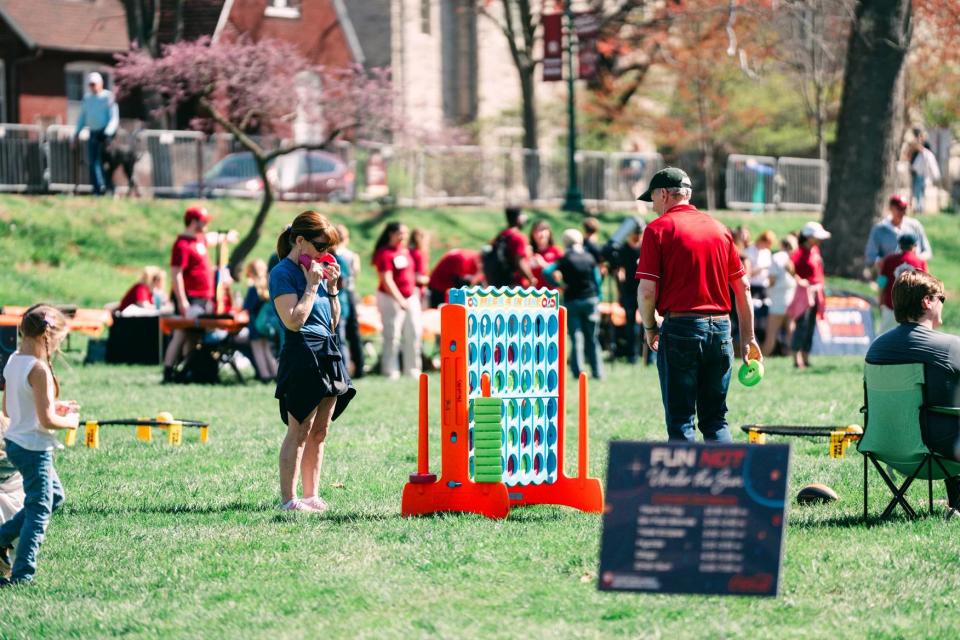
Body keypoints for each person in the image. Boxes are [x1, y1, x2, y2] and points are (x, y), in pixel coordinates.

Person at [635, 167, 760, 442]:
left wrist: (649, 327)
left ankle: (686, 486)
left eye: (653, 199)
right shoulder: (720, 229)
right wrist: (748, 337)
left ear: (665, 194)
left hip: (681, 327)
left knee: (681, 422)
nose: (654, 207)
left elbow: (646, 291)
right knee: (716, 420)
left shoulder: (658, 230)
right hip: (722, 330)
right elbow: (743, 287)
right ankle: (725, 483)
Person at [271, 212, 355, 513]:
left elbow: (332, 323)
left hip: (327, 349)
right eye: (320, 247)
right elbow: (293, 321)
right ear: (300, 240)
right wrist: (311, 287)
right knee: (300, 428)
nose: (325, 254)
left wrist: (331, 289)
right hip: (301, 350)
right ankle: (289, 500)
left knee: (321, 430)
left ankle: (311, 495)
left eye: (329, 249)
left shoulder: (318, 274)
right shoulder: (282, 273)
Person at [865, 270, 960, 508]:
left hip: (886, 447)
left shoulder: (876, 349)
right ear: (927, 301)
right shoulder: (950, 346)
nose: (942, 305)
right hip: (940, 452)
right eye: (941, 299)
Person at [0, 305, 80, 586]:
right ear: (50, 336)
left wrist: (53, 405)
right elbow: (47, 421)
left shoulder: (12, 361)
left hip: (14, 444)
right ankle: (23, 573)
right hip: (35, 449)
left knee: (54, 496)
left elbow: (9, 409)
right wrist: (70, 422)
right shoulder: (39, 369)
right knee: (39, 508)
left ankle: (1, 537)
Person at [162, 206, 216, 383]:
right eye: (204, 221)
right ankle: (168, 371)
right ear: (194, 222)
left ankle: (187, 370)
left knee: (193, 335)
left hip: (202, 298)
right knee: (181, 334)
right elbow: (176, 274)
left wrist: (226, 237)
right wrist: (182, 301)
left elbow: (212, 238)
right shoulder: (182, 245)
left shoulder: (199, 240)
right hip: (190, 297)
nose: (206, 225)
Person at [542, 229, 603, 379]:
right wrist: (599, 296)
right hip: (590, 300)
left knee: (576, 337)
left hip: (572, 301)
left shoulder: (565, 259)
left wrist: (559, 284)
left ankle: (578, 372)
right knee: (592, 337)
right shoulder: (590, 257)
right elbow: (597, 279)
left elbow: (547, 271)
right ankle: (598, 372)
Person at [372, 222, 422, 378]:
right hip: (390, 298)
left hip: (411, 296)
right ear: (391, 234)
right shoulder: (384, 253)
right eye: (400, 233)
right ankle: (391, 370)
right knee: (392, 335)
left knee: (413, 333)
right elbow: (386, 280)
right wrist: (400, 300)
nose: (403, 237)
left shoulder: (407, 252)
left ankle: (413, 369)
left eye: (405, 233)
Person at [790, 222, 830, 369]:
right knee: (802, 324)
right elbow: (789, 266)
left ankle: (806, 357)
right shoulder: (799, 252)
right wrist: (799, 280)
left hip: (817, 291)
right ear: (808, 237)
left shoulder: (816, 250)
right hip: (805, 293)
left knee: (811, 325)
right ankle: (796, 357)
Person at [74, 72, 119, 196]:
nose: (92, 87)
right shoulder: (87, 99)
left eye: (94, 84)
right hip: (93, 133)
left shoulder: (108, 97)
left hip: (105, 135)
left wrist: (108, 133)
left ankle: (109, 187)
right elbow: (82, 118)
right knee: (93, 162)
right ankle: (98, 189)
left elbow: (114, 117)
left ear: (100, 84)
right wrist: (76, 133)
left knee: (107, 163)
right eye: (90, 84)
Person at [864, 194, 932, 269]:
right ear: (891, 208)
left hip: (913, 274)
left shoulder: (915, 226)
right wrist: (886, 262)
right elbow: (870, 256)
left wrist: (913, 259)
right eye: (899, 208)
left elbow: (927, 252)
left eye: (905, 208)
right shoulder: (879, 229)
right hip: (890, 273)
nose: (903, 212)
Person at [876, 233, 928, 334]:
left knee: (883, 336)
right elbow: (926, 286)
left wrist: (880, 300)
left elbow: (881, 283)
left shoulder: (889, 260)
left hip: (891, 306)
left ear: (900, 245)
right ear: (914, 246)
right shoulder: (920, 262)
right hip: (912, 309)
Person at [333, 224, 364, 378]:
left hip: (342, 298)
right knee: (349, 335)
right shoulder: (350, 256)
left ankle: (345, 371)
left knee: (342, 336)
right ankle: (355, 368)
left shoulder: (338, 257)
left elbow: (344, 280)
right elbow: (354, 274)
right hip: (347, 296)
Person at [243, 259, 279, 382]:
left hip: (254, 324)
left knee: (258, 350)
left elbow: (246, 307)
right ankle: (274, 373)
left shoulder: (253, 289)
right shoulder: (268, 286)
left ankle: (264, 375)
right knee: (267, 349)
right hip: (265, 324)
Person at [762, 234, 798, 357]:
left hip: (778, 299)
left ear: (781, 245)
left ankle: (762, 359)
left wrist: (768, 288)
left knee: (771, 334)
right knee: (791, 332)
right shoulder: (793, 257)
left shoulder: (777, 257)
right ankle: (795, 358)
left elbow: (772, 280)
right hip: (791, 298)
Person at [614, 221, 644, 364]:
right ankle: (632, 355)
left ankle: (648, 356)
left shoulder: (645, 248)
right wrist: (620, 290)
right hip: (629, 291)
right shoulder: (624, 249)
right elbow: (619, 271)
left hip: (644, 290)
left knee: (648, 324)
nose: (637, 237)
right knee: (630, 325)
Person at [486, 207, 536, 287]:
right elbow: (520, 262)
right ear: (518, 218)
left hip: (499, 282)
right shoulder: (519, 237)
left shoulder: (502, 235)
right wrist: (531, 279)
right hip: (515, 285)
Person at [529, 220, 563, 289]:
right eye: (537, 231)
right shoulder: (528, 252)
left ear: (549, 233)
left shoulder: (556, 251)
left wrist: (543, 264)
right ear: (532, 234)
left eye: (543, 230)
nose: (540, 233)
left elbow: (561, 276)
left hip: (551, 295)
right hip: (533, 294)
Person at [745, 230, 775, 301]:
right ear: (762, 240)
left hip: (764, 285)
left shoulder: (767, 252)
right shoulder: (749, 250)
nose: (768, 246)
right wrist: (763, 268)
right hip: (753, 285)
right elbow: (748, 273)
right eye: (767, 244)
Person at [409, 229, 431, 304]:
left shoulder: (407, 251)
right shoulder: (418, 254)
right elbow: (419, 278)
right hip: (416, 291)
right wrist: (431, 280)